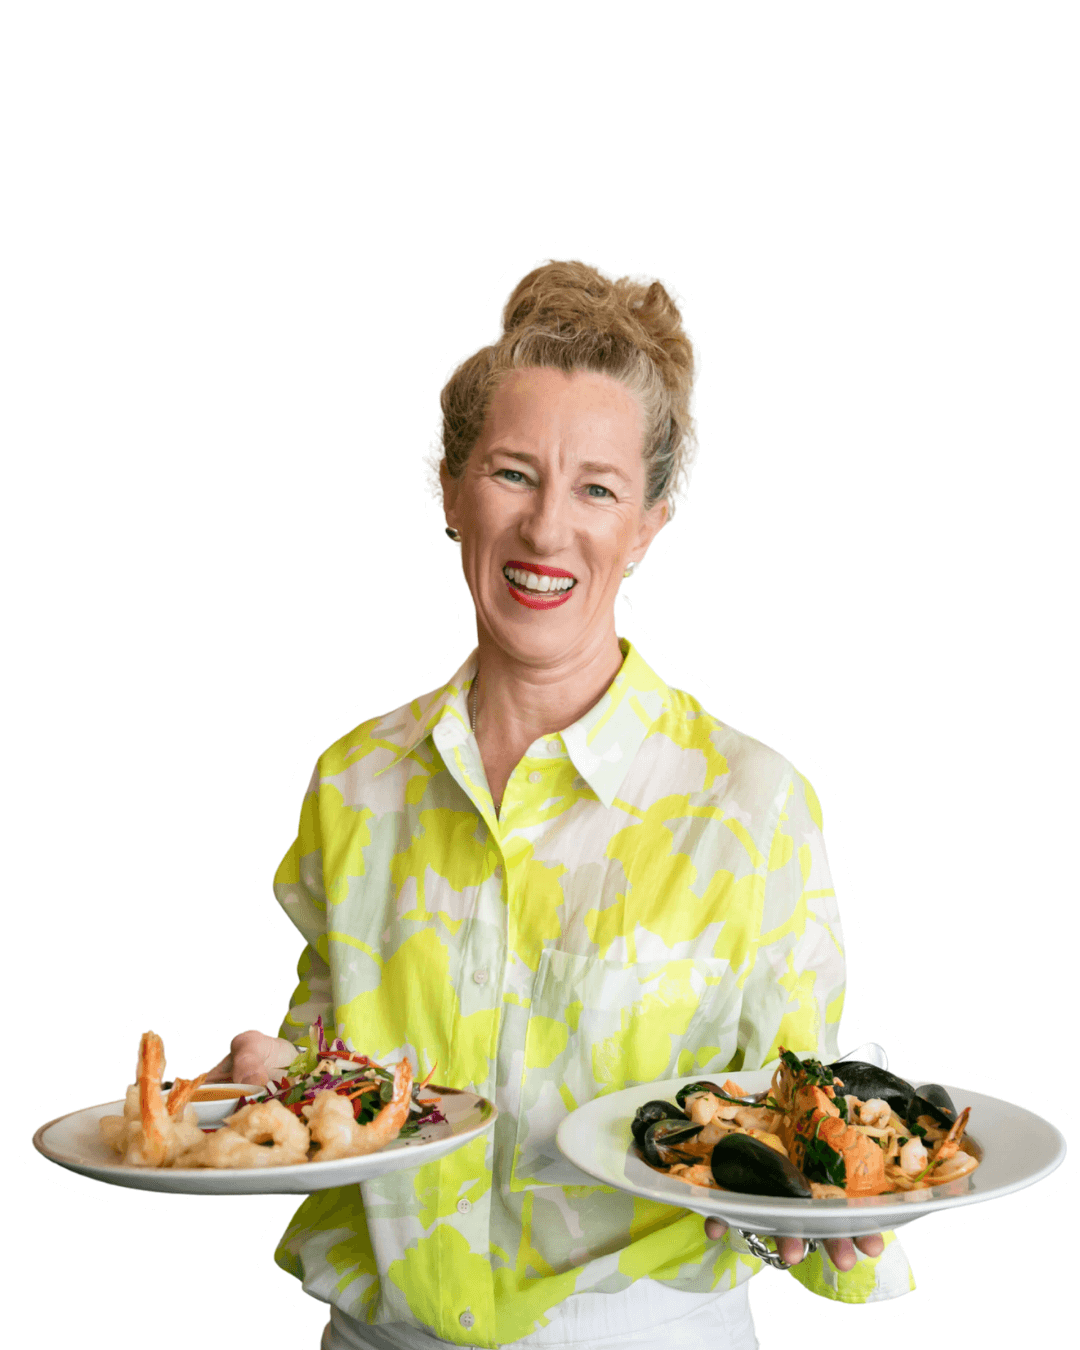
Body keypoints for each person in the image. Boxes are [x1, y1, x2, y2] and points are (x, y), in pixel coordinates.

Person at [209, 256, 908, 1347]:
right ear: (449, 489)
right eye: (513, 473)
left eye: (597, 489)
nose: (546, 531)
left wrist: (828, 1214)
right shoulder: (357, 778)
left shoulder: (752, 803)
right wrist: (262, 1084)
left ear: (651, 522)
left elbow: (800, 1118)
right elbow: (334, 1076)